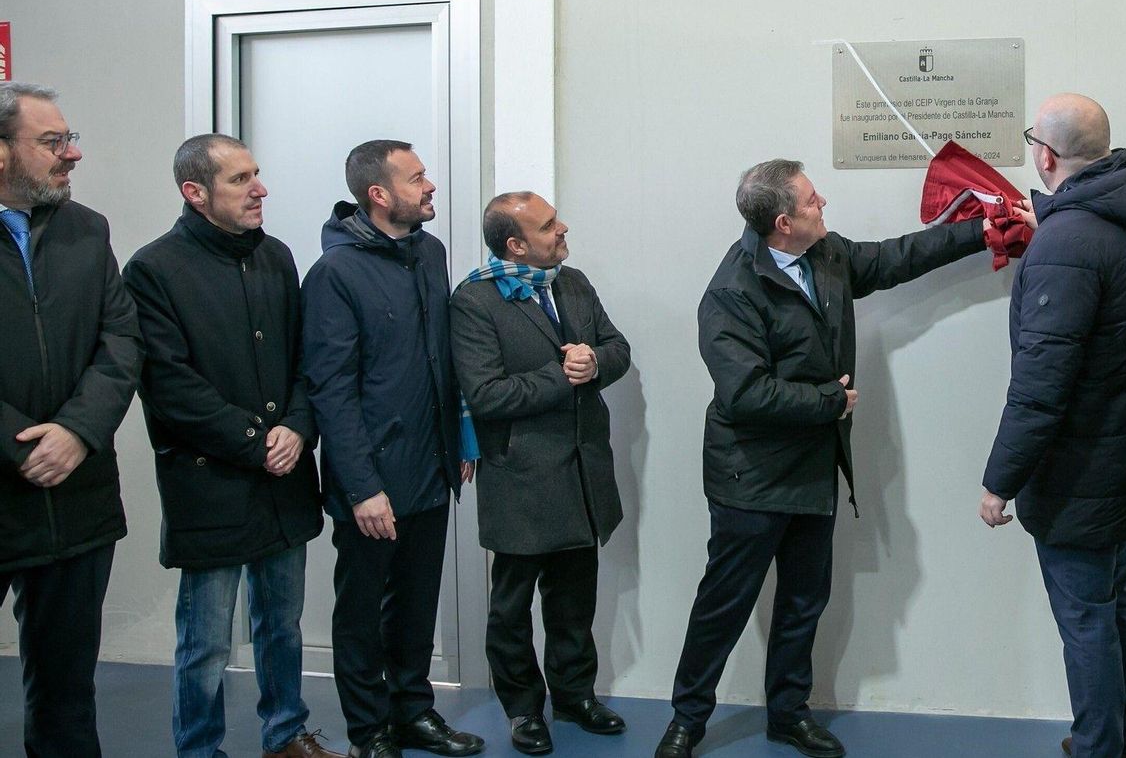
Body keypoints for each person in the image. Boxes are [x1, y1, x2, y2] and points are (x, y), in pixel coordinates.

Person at [655, 159, 989, 758]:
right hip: (749, 476)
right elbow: (745, 393)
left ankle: (788, 713)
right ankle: (687, 719)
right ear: (782, 223)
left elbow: (894, 258)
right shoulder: (732, 292)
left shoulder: (826, 255)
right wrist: (829, 400)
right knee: (723, 604)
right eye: (813, 201)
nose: (824, 203)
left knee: (805, 600)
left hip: (812, 468)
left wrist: (978, 230)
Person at [123, 134, 341, 758]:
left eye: (257, 175)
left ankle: (286, 736)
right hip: (211, 481)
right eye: (241, 180)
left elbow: (308, 359)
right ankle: (199, 749)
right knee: (207, 640)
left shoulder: (275, 257)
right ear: (196, 193)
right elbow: (168, 384)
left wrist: (297, 428)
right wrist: (256, 440)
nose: (260, 190)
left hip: (284, 474)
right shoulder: (153, 269)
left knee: (282, 627)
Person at [980, 94, 1126, 758]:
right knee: (1122, 595)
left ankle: (1099, 746)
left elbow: (1041, 384)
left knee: (1087, 619)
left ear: (1045, 155)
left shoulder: (1068, 240)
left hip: (1079, 472)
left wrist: (998, 482)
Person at [302, 140, 482, 758]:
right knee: (361, 614)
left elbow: (443, 359)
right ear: (379, 195)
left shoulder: (429, 253)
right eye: (417, 178)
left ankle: (414, 712)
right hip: (372, 480)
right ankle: (369, 730)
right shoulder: (334, 274)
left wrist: (459, 440)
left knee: (416, 604)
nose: (430, 186)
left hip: (431, 468)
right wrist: (361, 487)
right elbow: (331, 389)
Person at [451, 192, 631, 755]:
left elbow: (617, 347)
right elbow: (486, 394)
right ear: (515, 244)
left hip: (582, 474)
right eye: (549, 225)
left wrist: (597, 362)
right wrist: (565, 375)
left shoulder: (571, 282)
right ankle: (524, 710)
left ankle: (575, 697)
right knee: (511, 608)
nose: (563, 229)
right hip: (522, 479)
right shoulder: (475, 301)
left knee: (574, 599)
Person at [0, 82, 142, 758]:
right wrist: (18, 443)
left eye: (68, 138)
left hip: (77, 498)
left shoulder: (88, 229)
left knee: (66, 695)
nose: (72, 153)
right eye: (52, 142)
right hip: (7, 482)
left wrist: (77, 432)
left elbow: (121, 343)